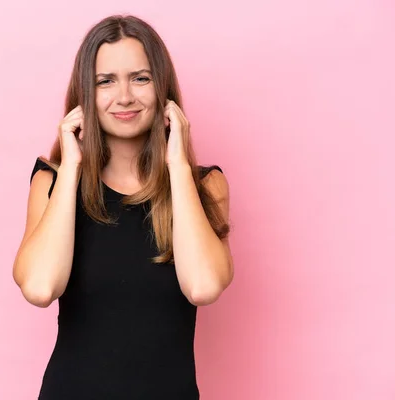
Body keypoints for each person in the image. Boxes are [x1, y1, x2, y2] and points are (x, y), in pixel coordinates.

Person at [13, 14, 234, 400]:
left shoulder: (204, 185)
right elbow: (39, 287)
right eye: (105, 81)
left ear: (163, 90)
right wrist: (72, 167)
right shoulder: (52, 181)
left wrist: (177, 164)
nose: (125, 96)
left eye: (141, 78)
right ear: (84, 95)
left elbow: (203, 286)